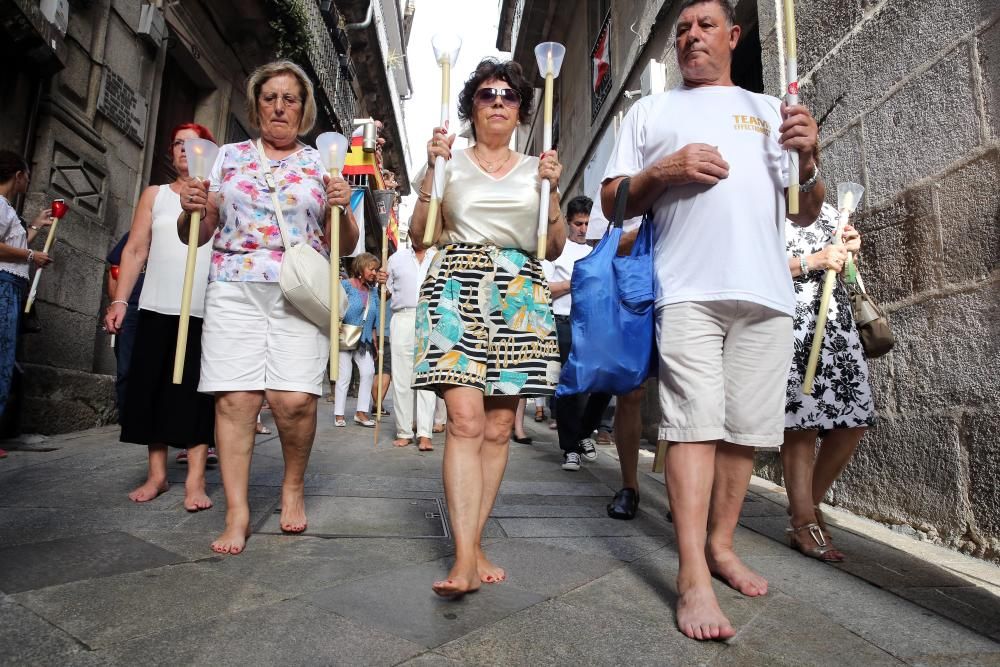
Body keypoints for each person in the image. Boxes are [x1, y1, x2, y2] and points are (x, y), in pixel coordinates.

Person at [601, 0, 824, 640]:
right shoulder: (651, 111)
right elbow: (615, 203)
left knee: (744, 432)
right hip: (688, 288)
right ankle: (692, 572)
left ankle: (723, 545)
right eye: (681, 31)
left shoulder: (768, 110)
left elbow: (805, 212)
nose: (691, 37)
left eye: (703, 27)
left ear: (733, 35)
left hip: (767, 291)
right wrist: (661, 172)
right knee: (693, 426)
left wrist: (809, 162)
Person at [179, 60, 359, 554]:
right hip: (233, 287)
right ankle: (237, 512)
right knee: (235, 401)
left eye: (290, 99)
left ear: (304, 111)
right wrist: (190, 208)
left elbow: (344, 241)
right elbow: (195, 233)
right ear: (256, 104)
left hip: (299, 289)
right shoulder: (227, 157)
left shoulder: (322, 164)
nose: (279, 106)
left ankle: (292, 485)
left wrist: (342, 202)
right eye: (269, 98)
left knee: (294, 400)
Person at [408, 57, 565, 596]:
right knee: (466, 420)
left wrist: (553, 194)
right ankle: (461, 556)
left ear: (521, 109)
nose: (498, 102)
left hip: (519, 289)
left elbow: (553, 247)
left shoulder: (536, 167)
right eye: (486, 94)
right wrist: (432, 169)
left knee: (499, 428)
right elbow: (418, 235)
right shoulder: (447, 161)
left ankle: (473, 543)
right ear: (471, 106)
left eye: (509, 96)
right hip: (455, 284)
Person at [105, 123, 218, 509]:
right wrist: (120, 301)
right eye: (178, 143)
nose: (185, 149)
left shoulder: (217, 196)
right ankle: (157, 475)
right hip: (155, 305)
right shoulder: (155, 195)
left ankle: (196, 481)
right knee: (150, 388)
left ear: (210, 151)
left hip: (203, 308)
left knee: (196, 395)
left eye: (194, 143)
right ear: (171, 152)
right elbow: (135, 250)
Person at [783, 204, 873, 561]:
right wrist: (813, 260)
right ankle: (805, 520)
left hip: (837, 326)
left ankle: (806, 507)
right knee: (801, 424)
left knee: (855, 420)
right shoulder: (765, 205)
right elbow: (749, 271)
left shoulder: (830, 212)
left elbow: (848, 277)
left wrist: (850, 250)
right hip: (793, 323)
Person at [584, 197, 648, 519]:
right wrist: (651, 231)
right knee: (631, 390)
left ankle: (687, 489)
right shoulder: (620, 185)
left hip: (686, 288)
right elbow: (598, 244)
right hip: (632, 294)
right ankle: (629, 485)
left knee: (688, 388)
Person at [0, 151, 54, 459]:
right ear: (18, 176)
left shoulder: (8, 209)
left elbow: (13, 244)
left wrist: (34, 228)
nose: (29, 179)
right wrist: (32, 257)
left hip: (12, 286)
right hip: (3, 286)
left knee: (6, 357)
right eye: (27, 174)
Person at [548, 195, 604, 471]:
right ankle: (570, 448)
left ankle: (583, 434)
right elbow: (546, 288)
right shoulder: (559, 248)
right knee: (569, 387)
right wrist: (575, 283)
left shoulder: (600, 248)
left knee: (603, 382)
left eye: (587, 223)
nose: (583, 229)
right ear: (569, 223)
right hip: (566, 321)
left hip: (596, 322)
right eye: (578, 224)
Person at [386, 230, 438, 450]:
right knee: (401, 378)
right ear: (409, 233)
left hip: (430, 318)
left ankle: (425, 433)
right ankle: (404, 431)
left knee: (427, 377)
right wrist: (380, 280)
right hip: (403, 316)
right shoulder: (395, 259)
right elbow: (386, 291)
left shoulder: (439, 257)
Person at [333, 253, 380, 428]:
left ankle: (361, 413)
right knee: (344, 376)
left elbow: (374, 318)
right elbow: (335, 306)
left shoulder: (373, 291)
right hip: (345, 335)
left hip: (365, 339)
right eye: (371, 268)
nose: (374, 273)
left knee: (368, 372)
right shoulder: (345, 285)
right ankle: (339, 414)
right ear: (361, 268)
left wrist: (375, 341)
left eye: (376, 269)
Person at [106, 233, 144, 420]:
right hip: (131, 307)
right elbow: (114, 270)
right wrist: (116, 303)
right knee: (126, 367)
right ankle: (127, 418)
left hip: (163, 307)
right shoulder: (133, 236)